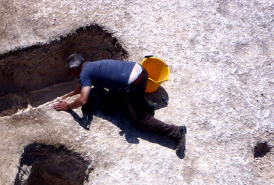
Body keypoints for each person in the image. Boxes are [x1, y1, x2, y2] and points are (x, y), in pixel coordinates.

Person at [52, 53, 187, 154]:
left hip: (132, 84)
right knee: (120, 96)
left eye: (72, 73)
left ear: (74, 69)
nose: (73, 76)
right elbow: (83, 83)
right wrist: (73, 93)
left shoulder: (84, 73)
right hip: (141, 72)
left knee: (140, 121)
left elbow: (83, 100)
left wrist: (68, 106)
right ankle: (147, 106)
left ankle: (176, 132)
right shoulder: (91, 66)